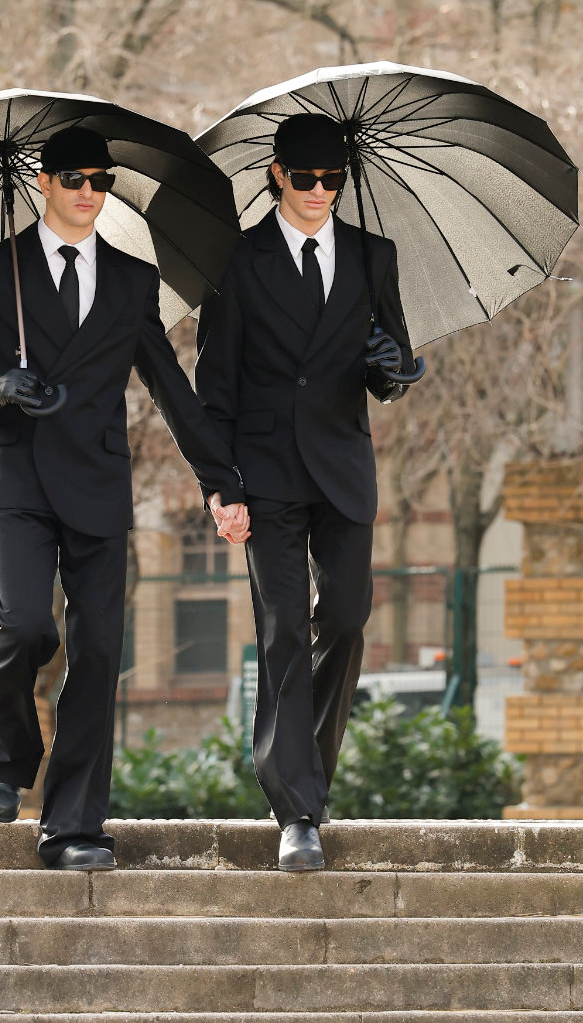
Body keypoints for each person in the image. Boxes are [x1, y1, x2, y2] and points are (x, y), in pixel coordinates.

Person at [0, 125, 248, 870]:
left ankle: (73, 827)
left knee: (100, 653)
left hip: (99, 484)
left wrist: (220, 481)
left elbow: (169, 387)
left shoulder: (133, 279)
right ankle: (5, 749)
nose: (87, 193)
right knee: (25, 626)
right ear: (43, 182)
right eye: (73, 179)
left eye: (100, 181)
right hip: (19, 479)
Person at [195, 113, 414, 871]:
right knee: (284, 627)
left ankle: (305, 772)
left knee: (346, 619)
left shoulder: (373, 255)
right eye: (306, 177)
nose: (320, 191)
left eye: (333, 179)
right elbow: (214, 384)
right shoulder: (236, 260)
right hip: (266, 473)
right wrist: (219, 487)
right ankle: (297, 810)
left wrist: (392, 366)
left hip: (343, 467)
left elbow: (394, 367)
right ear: (277, 175)